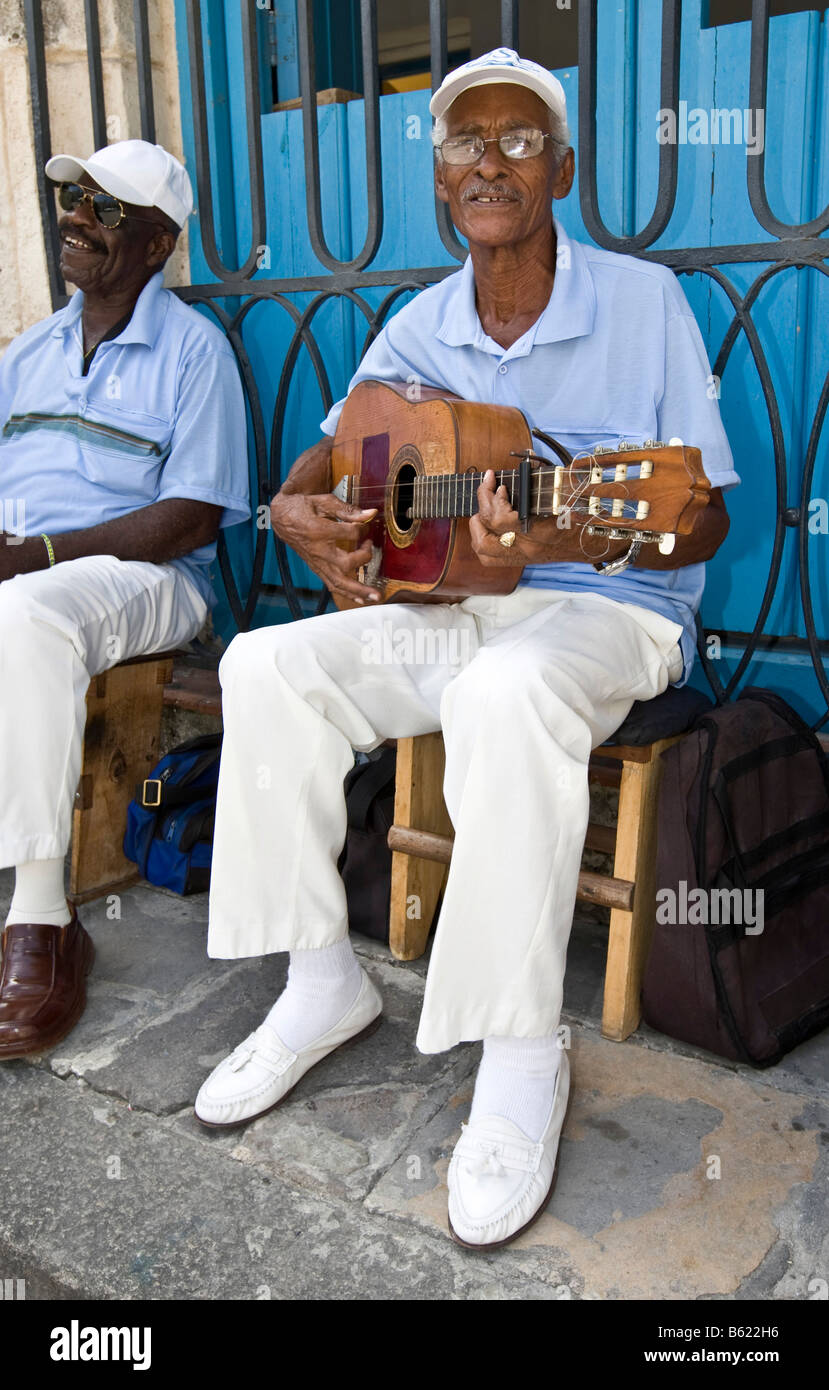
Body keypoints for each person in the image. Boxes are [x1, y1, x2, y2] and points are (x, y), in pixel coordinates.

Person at [196, 49, 739, 1250]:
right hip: (460, 603)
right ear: (440, 182)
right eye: (462, 146)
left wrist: (569, 529)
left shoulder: (643, 302)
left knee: (504, 688)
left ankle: (517, 1044)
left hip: (611, 611)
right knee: (261, 666)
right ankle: (318, 980)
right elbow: (332, 459)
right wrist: (295, 511)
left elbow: (701, 513)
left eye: (515, 140)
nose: (486, 162)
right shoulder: (417, 323)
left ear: (563, 167)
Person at [0, 140, 250, 1060]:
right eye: (71, 194)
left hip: (146, 581)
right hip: (29, 567)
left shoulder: (193, 352)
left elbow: (190, 517)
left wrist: (39, 553)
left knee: (26, 613)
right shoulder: (28, 352)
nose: (75, 216)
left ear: (156, 244)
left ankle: (40, 917)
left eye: (105, 209)